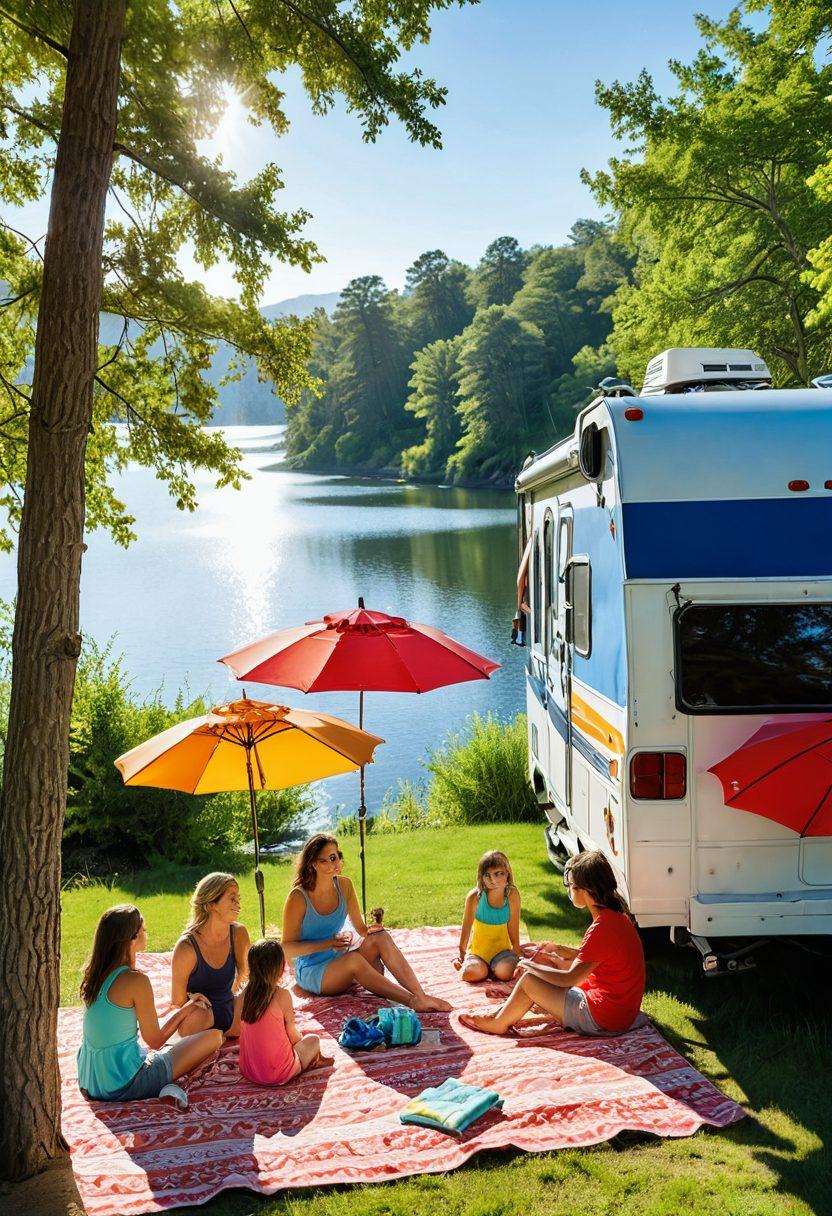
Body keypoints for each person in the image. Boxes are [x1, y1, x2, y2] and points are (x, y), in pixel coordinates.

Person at [459, 850, 646, 1037]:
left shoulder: (601, 929)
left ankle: (498, 1023)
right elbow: (601, 958)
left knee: (529, 980)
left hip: (604, 1019)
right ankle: (505, 1014)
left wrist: (529, 965)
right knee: (550, 968)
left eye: (570, 885)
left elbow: (569, 979)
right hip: (621, 1013)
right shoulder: (618, 917)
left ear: (585, 890)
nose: (568, 890)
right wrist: (563, 952)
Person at [281, 833, 451, 1013]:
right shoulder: (298, 898)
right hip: (312, 971)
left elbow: (361, 930)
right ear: (314, 864)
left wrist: (373, 930)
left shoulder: (345, 886)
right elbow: (286, 949)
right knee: (354, 960)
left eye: (337, 856)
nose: (337, 863)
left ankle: (420, 995)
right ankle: (413, 1001)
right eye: (330, 859)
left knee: (380, 937)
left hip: (339, 961)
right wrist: (328, 943)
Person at [77, 904, 222, 1104]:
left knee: (174, 1041)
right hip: (125, 1084)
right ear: (132, 938)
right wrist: (187, 1008)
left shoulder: (94, 975)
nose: (147, 933)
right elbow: (154, 1040)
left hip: (90, 1083)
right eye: (143, 930)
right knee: (214, 1037)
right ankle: (166, 1088)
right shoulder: (136, 981)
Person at [238, 938, 333, 1085]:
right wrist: (301, 1042)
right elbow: (293, 1036)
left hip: (249, 1070)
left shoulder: (244, 995)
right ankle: (314, 1060)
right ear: (280, 968)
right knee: (313, 1039)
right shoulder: (282, 995)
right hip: (279, 1074)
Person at [171, 873, 250, 1037]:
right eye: (232, 898)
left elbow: (245, 974)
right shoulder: (187, 947)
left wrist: (236, 999)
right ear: (211, 904)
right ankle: (225, 1032)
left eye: (238, 898)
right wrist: (192, 998)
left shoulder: (239, 933)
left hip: (232, 1006)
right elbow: (177, 1001)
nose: (238, 903)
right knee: (189, 1023)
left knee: (268, 997)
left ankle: (223, 1032)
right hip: (202, 1013)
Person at [455, 850, 521, 982]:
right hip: (478, 954)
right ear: (481, 877)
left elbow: (513, 927)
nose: (493, 880)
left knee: (505, 973)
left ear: (507, 874)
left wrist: (517, 950)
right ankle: (483, 970)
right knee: (472, 973)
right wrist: (462, 953)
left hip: (503, 953)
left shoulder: (512, 895)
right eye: (487, 875)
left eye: (498, 874)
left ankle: (494, 970)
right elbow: (466, 929)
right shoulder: (475, 898)